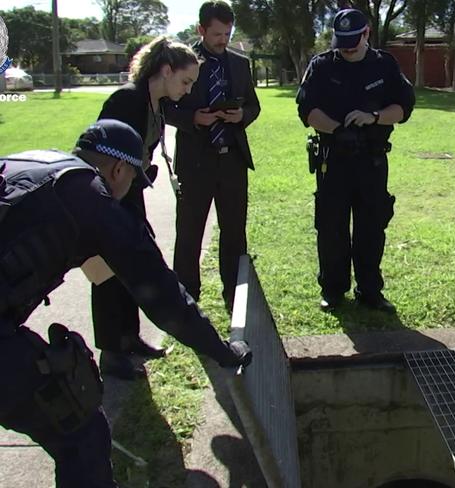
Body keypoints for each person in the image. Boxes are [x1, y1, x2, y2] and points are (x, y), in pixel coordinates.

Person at [0, 119, 252, 488]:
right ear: (119, 169)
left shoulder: (39, 163)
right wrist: (223, 351)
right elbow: (164, 298)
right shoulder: (96, 199)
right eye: (134, 180)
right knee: (79, 426)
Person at [87, 36, 200, 380]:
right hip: (110, 198)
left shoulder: (157, 103)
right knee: (108, 273)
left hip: (131, 195)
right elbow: (101, 151)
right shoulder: (128, 99)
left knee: (132, 269)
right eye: (185, 81)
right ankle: (111, 352)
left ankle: (129, 337)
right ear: (166, 70)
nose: (188, 89)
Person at [296, 9, 415, 314]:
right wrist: (337, 130)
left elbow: (403, 107)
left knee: (372, 227)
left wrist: (373, 117)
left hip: (372, 161)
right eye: (342, 42)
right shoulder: (321, 65)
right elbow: (307, 110)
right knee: (331, 227)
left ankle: (370, 290)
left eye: (354, 40)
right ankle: (333, 290)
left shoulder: (384, 64)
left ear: (367, 34)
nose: (347, 47)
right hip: (333, 160)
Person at [164, 1, 260, 312]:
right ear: (201, 30)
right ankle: (186, 299)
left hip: (232, 159)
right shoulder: (180, 61)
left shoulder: (240, 64)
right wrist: (192, 119)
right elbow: (164, 105)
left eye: (228, 33)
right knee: (190, 233)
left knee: (234, 232)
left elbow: (254, 106)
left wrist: (241, 115)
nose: (223, 40)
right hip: (196, 162)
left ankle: (235, 295)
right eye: (217, 34)